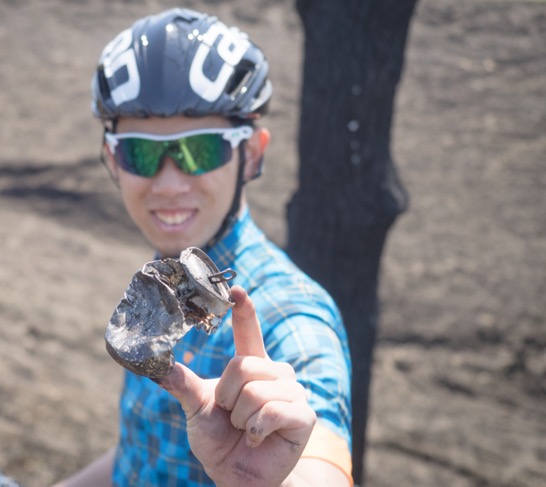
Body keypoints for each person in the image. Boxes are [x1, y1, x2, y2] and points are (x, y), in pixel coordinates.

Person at [54, 8, 352, 487]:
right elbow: (144, 449)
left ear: (250, 153)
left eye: (201, 150)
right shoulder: (164, 278)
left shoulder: (289, 316)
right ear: (113, 159)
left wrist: (269, 479)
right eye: (142, 152)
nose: (169, 184)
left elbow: (323, 464)